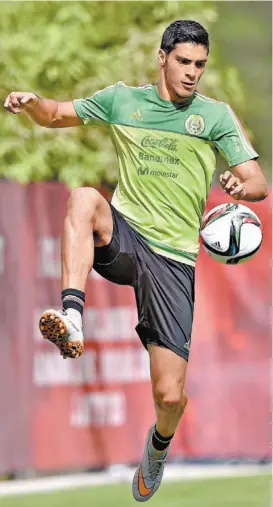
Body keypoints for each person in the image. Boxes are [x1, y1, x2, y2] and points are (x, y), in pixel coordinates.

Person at [4, 19, 267, 502]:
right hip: (126, 236)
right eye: (184, 62)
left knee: (169, 397)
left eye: (200, 66)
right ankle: (73, 317)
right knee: (84, 198)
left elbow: (257, 183)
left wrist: (237, 186)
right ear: (162, 58)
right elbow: (56, 115)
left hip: (174, 261)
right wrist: (31, 103)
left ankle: (159, 447)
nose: (192, 73)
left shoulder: (214, 116)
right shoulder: (123, 101)